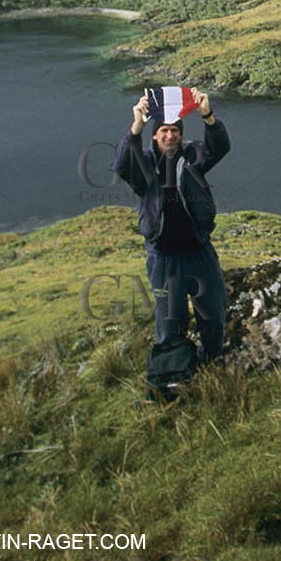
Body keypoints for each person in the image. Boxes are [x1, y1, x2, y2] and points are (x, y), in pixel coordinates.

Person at [113, 88, 230, 365]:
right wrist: (136, 127)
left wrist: (208, 116)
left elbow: (219, 148)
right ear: (155, 135)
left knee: (213, 317)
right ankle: (174, 375)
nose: (170, 136)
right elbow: (120, 166)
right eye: (164, 130)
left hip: (199, 252)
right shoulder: (143, 163)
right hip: (164, 259)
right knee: (170, 325)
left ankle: (211, 368)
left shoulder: (193, 156)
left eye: (175, 130)